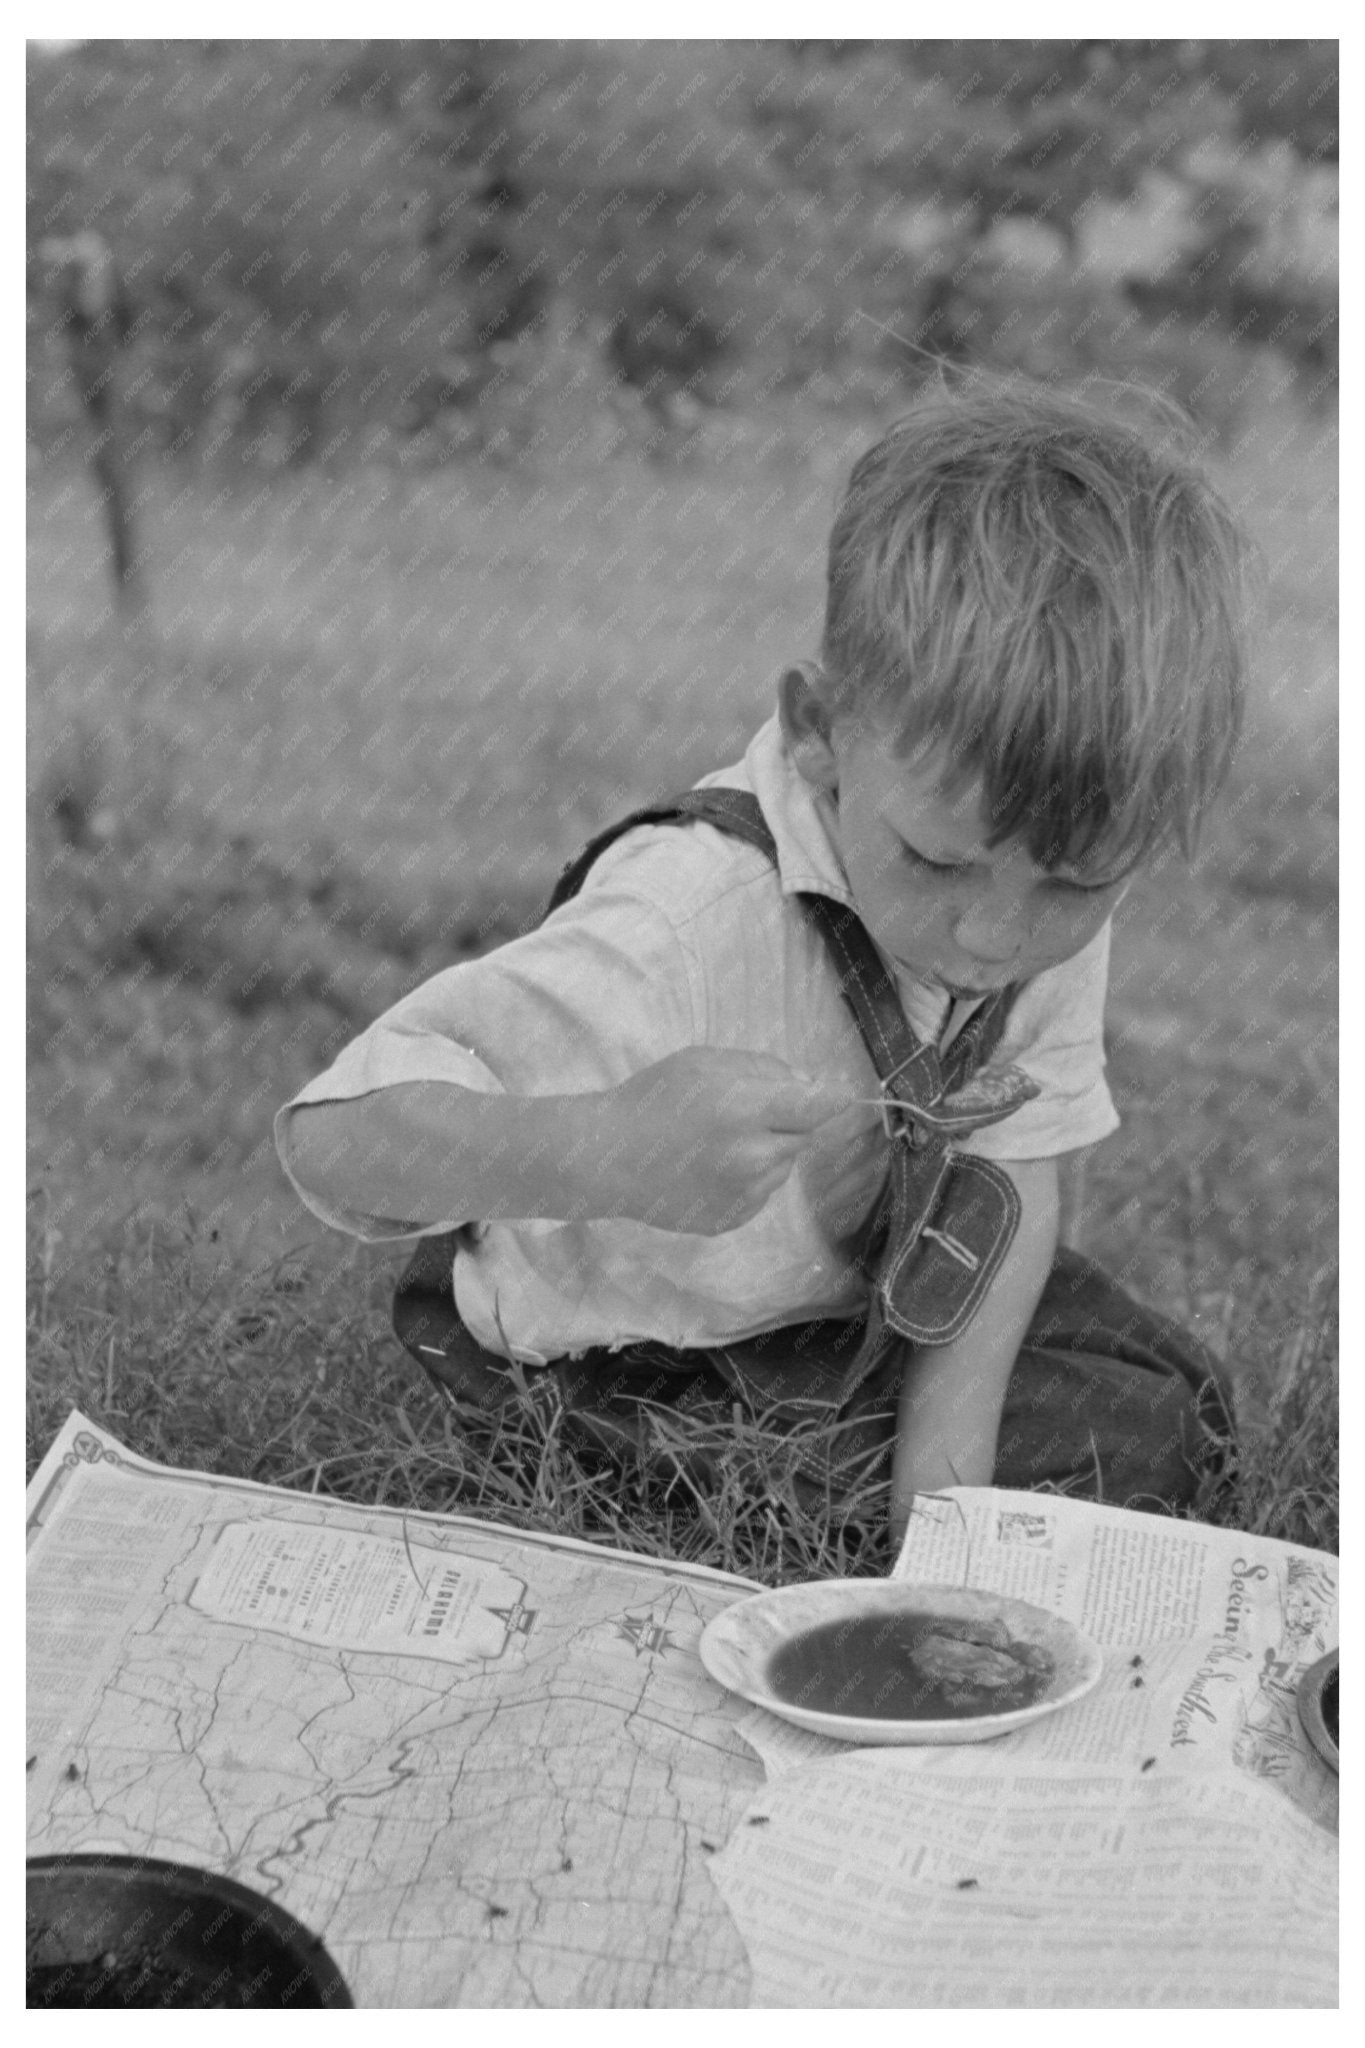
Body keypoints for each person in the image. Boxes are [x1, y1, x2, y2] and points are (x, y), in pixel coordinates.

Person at [275, 378, 1251, 1538]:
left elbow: (1013, 1171)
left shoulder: (1027, 879)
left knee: (1169, 1408)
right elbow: (329, 1139)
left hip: (845, 1306)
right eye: (938, 865)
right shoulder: (683, 918)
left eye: (1077, 885)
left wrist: (941, 1511)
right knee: (781, 1485)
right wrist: (602, 1148)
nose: (996, 937)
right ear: (819, 733)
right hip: (627, 1352)